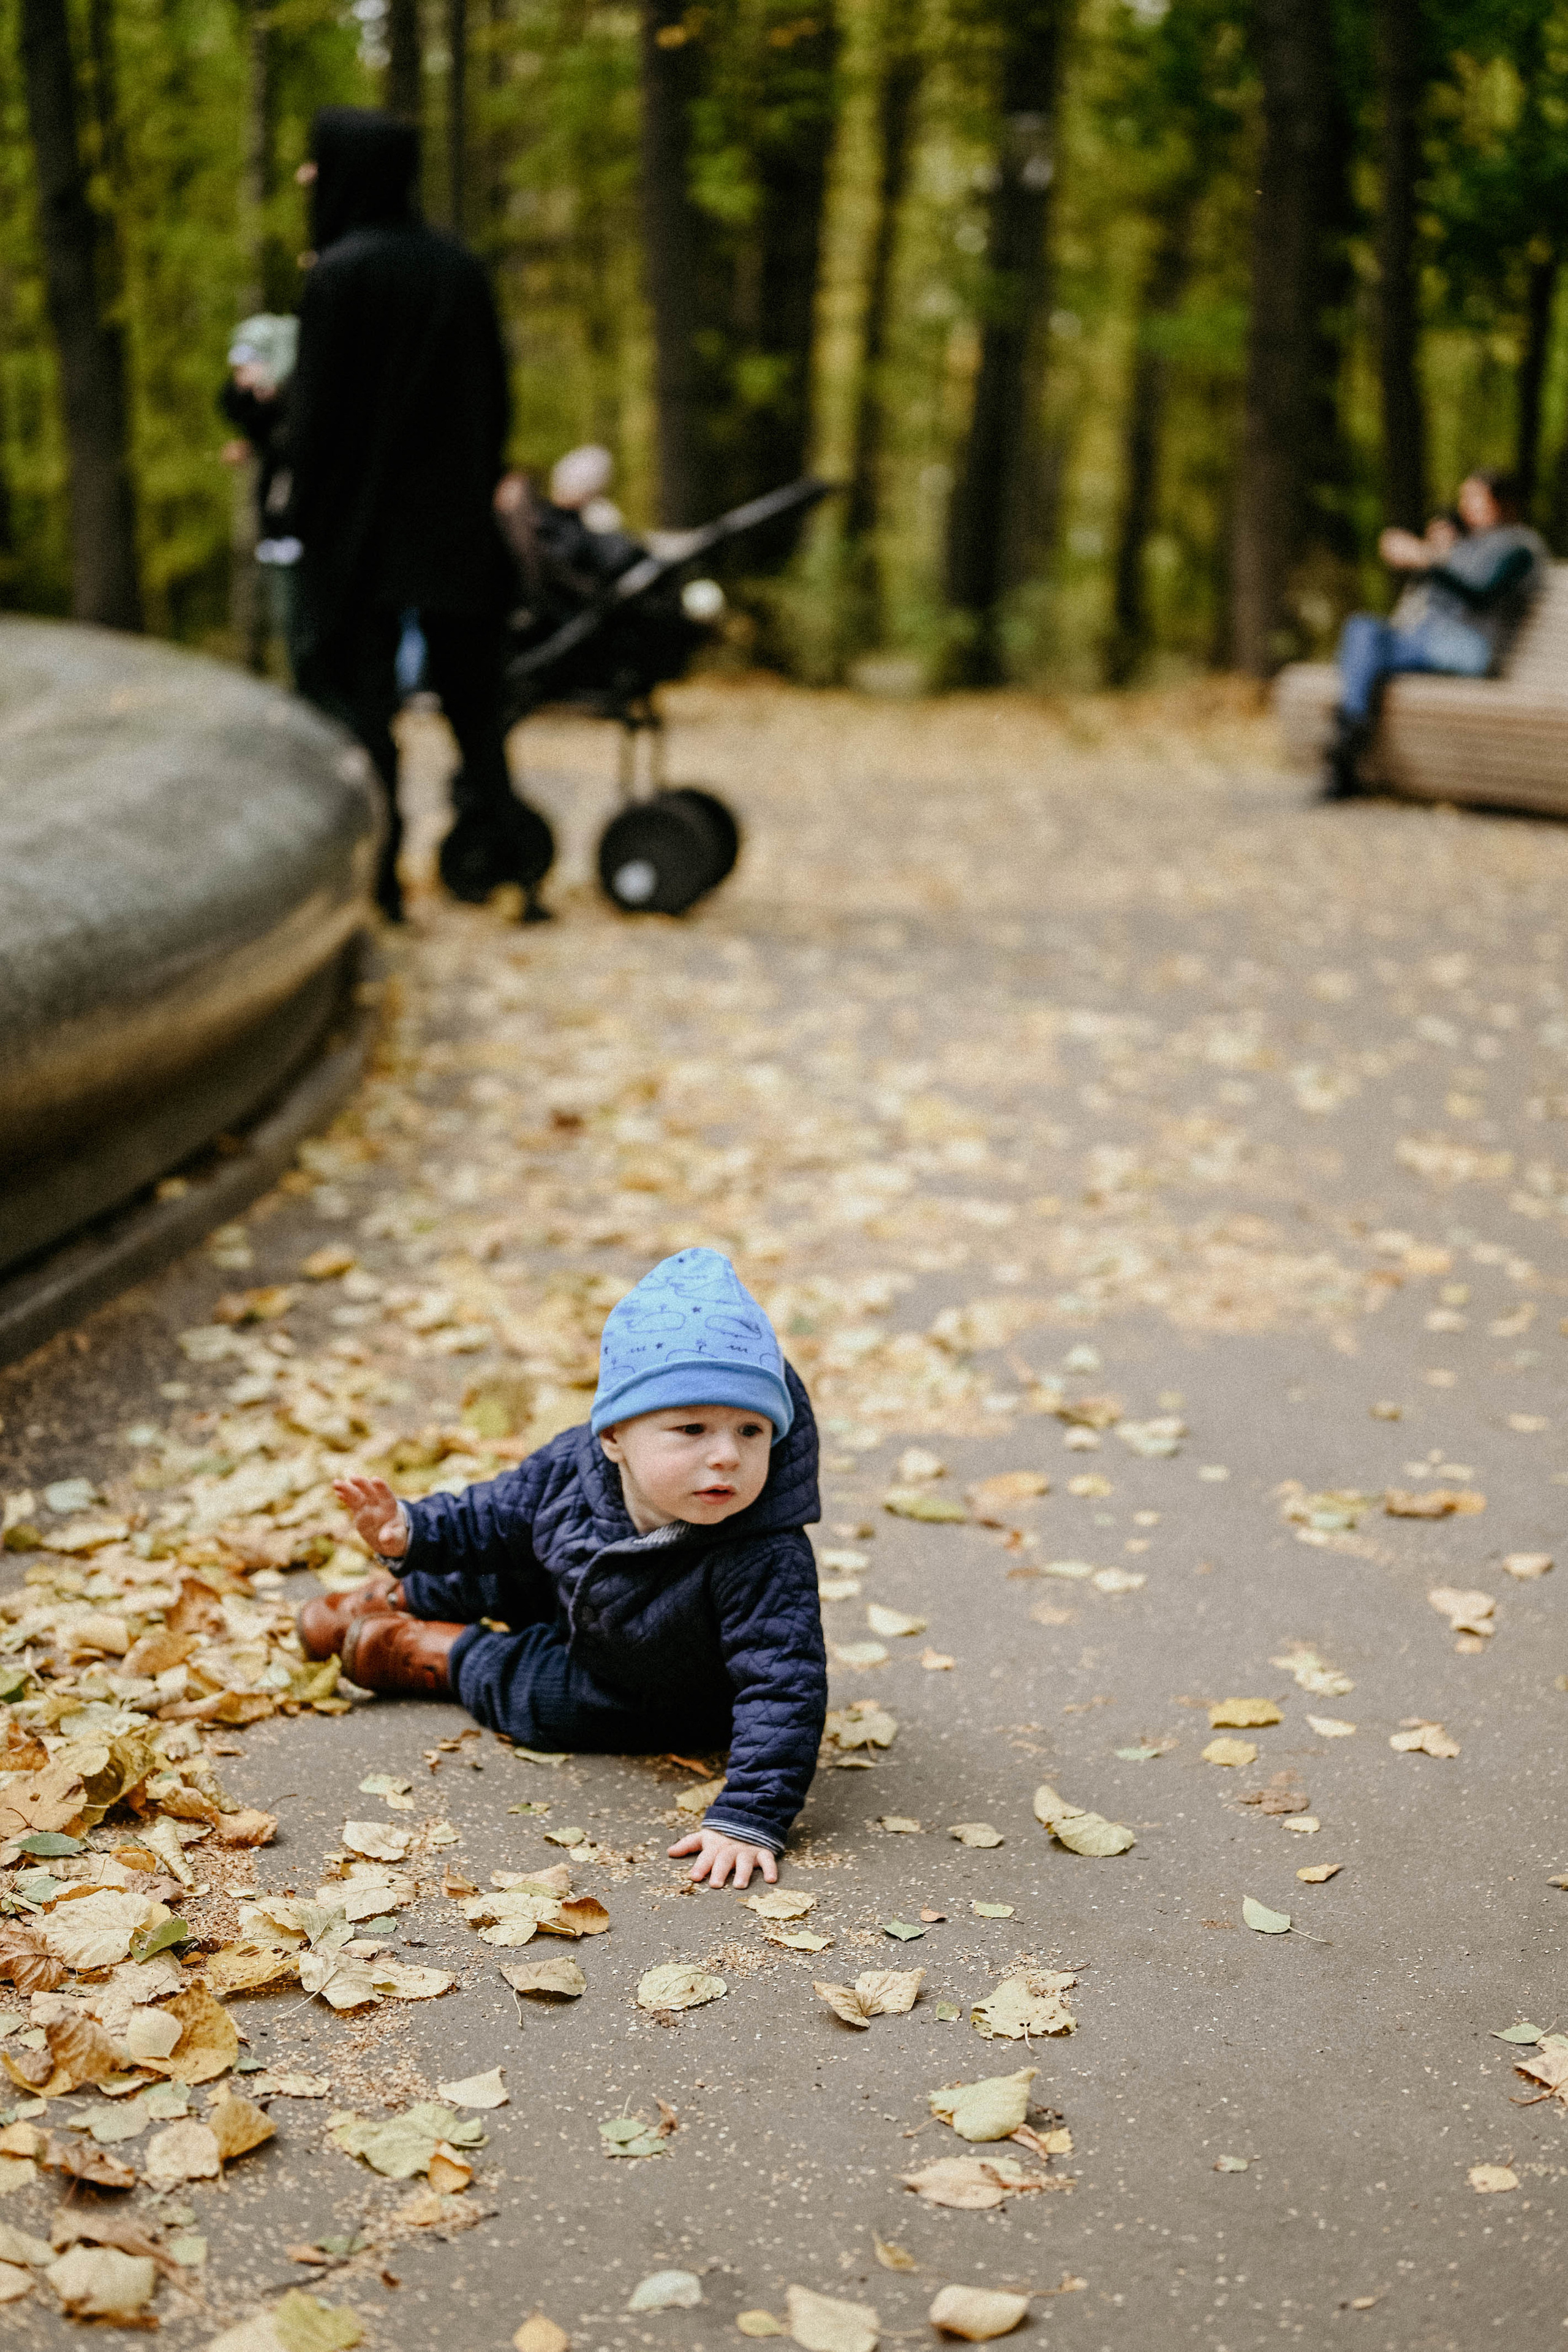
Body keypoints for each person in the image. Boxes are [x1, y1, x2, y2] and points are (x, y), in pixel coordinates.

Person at [296, 1248, 826, 1889]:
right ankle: (410, 1591)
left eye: (750, 1431)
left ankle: (445, 1652)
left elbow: (783, 1686)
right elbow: (493, 1515)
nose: (726, 1457)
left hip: (656, 1688)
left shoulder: (766, 1553)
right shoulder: (573, 1466)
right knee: (509, 1558)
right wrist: (409, 1530)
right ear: (613, 1438)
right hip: (579, 1595)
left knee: (546, 1698)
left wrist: (749, 1815)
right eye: (691, 1429)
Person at [287, 106, 548, 920]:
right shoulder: (457, 271)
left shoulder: (339, 275)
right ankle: (513, 868)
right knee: (477, 714)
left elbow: (318, 422)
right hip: (455, 533)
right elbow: (494, 401)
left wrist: (305, 502)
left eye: (317, 166)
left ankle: (384, 880)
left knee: (368, 713)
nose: (307, 182)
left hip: (362, 540)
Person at [1324, 470, 1548, 798]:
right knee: (1362, 628)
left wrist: (1429, 559)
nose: (1464, 506)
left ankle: (1347, 747)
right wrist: (1437, 553)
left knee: (1368, 648)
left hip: (1473, 650)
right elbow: (1435, 597)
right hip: (1431, 643)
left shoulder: (1520, 547)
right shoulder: (1463, 544)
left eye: (1473, 497)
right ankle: (1350, 736)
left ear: (1502, 504)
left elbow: (1481, 592)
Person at [220, 314, 301, 674]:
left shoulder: (302, 400)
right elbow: (237, 408)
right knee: (285, 620)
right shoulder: (268, 408)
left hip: (300, 531)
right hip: (277, 526)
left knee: (298, 614)